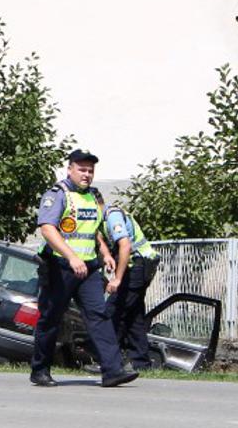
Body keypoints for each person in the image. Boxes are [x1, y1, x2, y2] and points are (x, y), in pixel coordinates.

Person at [29, 149, 135, 388]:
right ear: (70, 169)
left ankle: (113, 371)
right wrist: (71, 257)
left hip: (88, 268)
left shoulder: (93, 196)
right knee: (51, 318)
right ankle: (40, 370)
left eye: (90, 170)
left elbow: (92, 230)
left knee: (99, 315)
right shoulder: (58, 194)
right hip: (60, 267)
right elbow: (47, 229)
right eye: (82, 169)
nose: (86, 174)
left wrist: (105, 253)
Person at [102, 203, 162, 371]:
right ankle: (141, 362)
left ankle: (107, 362)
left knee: (113, 312)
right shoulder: (104, 219)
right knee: (133, 316)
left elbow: (125, 246)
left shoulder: (112, 216)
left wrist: (117, 279)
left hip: (137, 266)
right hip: (141, 266)